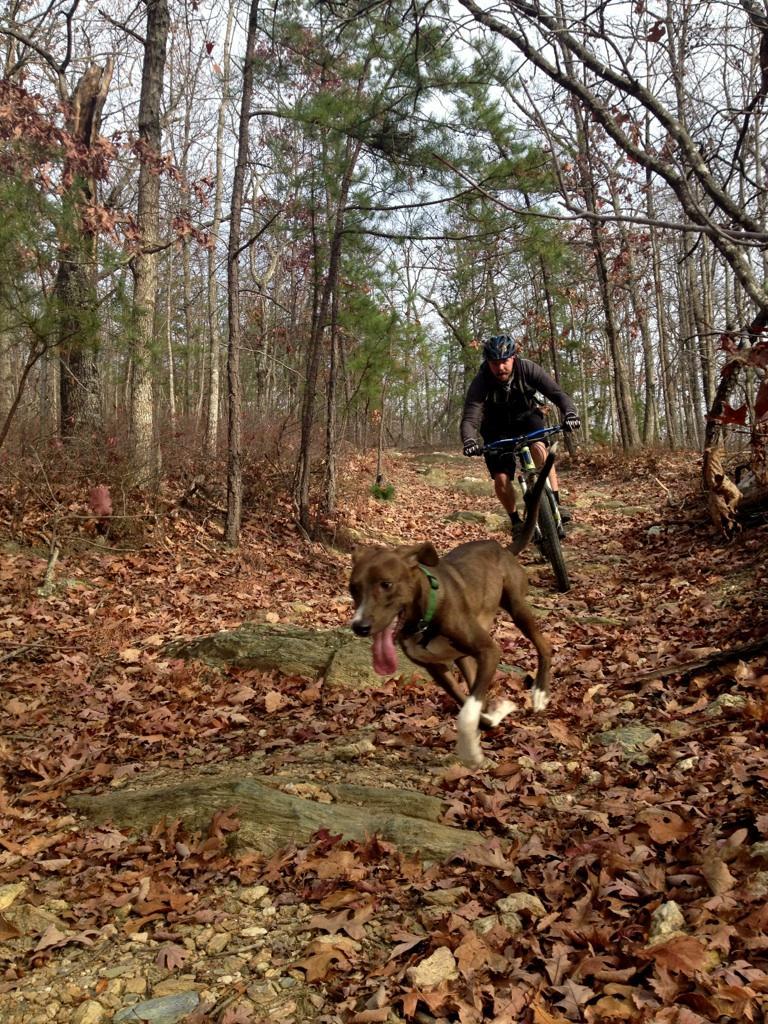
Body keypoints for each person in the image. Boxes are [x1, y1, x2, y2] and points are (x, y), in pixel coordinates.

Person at [460, 334, 581, 535]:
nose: (500, 368)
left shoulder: (528, 369)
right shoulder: (481, 381)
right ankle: (516, 521)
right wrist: (469, 440)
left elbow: (557, 394)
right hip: (495, 427)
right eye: (494, 363)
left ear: (513, 358)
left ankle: (556, 504)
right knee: (500, 478)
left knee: (541, 451)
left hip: (527, 417)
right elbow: (471, 417)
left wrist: (570, 413)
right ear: (488, 363)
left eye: (504, 362)